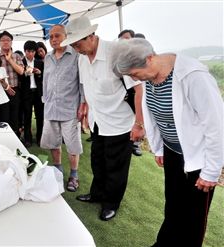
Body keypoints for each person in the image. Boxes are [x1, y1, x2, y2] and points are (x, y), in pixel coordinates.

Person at [111, 38, 224, 247]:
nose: (135, 79)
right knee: (173, 204)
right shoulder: (150, 77)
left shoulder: (193, 76)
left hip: (198, 159)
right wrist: (159, 148)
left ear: (150, 58)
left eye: (134, 73)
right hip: (172, 151)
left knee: (194, 216)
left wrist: (211, 171)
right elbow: (154, 116)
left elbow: (216, 125)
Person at [61, 16, 144, 221]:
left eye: (78, 43)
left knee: (115, 166)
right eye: (73, 44)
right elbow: (87, 87)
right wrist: (86, 109)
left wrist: (139, 124)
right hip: (98, 120)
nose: (76, 48)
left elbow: (139, 89)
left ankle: (111, 203)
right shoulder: (81, 57)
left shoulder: (116, 54)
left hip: (119, 122)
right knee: (97, 161)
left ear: (91, 36)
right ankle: (97, 194)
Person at [41, 24, 86, 192]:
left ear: (66, 36)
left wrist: (83, 104)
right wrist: (45, 99)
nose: (53, 39)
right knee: (54, 143)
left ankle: (74, 175)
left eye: (57, 36)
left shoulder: (76, 55)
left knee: (73, 144)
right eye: (51, 36)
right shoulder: (47, 57)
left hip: (70, 109)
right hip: (51, 107)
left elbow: (81, 82)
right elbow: (45, 81)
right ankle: (58, 170)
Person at [118, 30, 143, 157]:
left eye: (127, 38)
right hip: (126, 95)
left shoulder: (137, 57)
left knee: (137, 116)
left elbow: (140, 88)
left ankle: (136, 143)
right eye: (121, 39)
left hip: (137, 94)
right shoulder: (119, 57)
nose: (124, 41)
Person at [0, 31, 24, 136]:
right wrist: (6, 86)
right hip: (1, 91)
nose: (5, 42)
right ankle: (4, 137)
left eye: (8, 40)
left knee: (15, 115)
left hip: (15, 90)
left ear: (11, 42)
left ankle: (16, 137)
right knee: (3, 116)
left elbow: (21, 71)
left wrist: (10, 60)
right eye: (3, 40)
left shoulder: (16, 56)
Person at [20, 40, 44, 147]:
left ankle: (40, 138)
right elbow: (19, 77)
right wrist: (25, 73)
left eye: (33, 51)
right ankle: (28, 139)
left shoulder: (39, 62)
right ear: (25, 51)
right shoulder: (21, 62)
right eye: (28, 51)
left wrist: (39, 73)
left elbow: (43, 78)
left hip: (38, 92)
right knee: (27, 117)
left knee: (40, 116)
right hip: (26, 93)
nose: (30, 54)